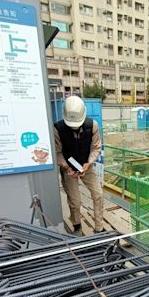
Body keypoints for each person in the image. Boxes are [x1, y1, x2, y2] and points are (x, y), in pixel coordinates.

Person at [54, 96, 104, 235]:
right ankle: (77, 225)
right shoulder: (57, 129)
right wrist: (66, 167)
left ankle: (99, 227)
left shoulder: (92, 125)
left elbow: (96, 147)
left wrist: (89, 163)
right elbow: (57, 152)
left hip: (86, 165)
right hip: (68, 168)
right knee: (75, 201)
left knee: (98, 194)